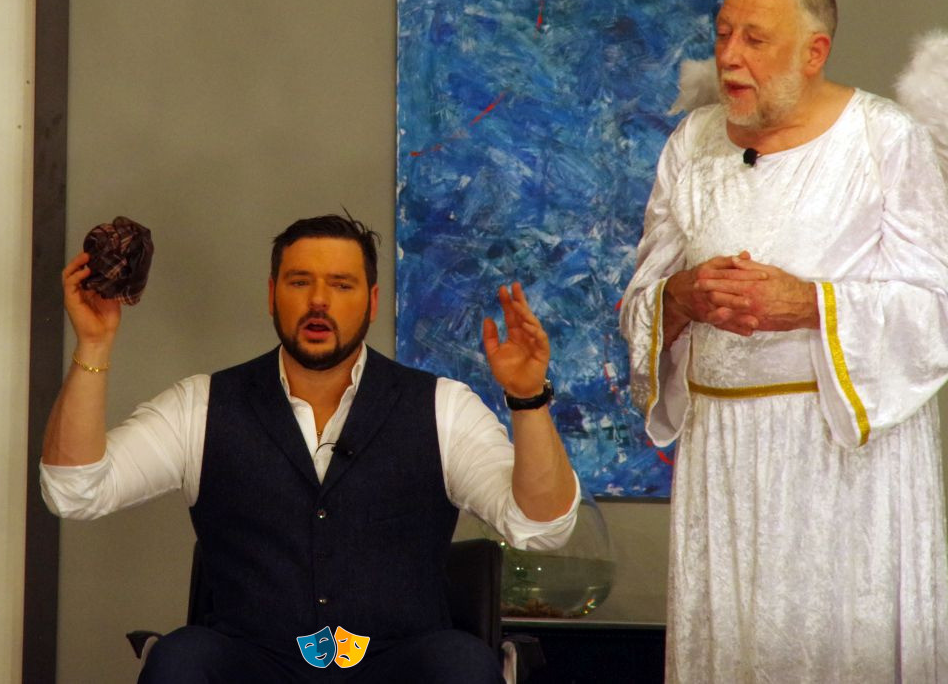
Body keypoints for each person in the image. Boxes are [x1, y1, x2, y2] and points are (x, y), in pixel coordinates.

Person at [619, 0, 948, 682]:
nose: (729, 56)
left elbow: (942, 304)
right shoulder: (692, 145)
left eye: (754, 39)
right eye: (723, 34)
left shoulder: (882, 140)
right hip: (723, 465)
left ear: (815, 52)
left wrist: (810, 304)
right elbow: (642, 299)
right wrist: (681, 296)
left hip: (842, 471)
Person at [41, 213, 579, 683]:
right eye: (300, 282)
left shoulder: (443, 407)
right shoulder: (201, 405)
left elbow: (540, 525)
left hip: (398, 664)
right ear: (271, 294)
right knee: (181, 657)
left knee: (461, 662)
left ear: (371, 302)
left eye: (342, 285)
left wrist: (528, 399)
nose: (319, 301)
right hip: (252, 662)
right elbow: (75, 491)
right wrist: (94, 344)